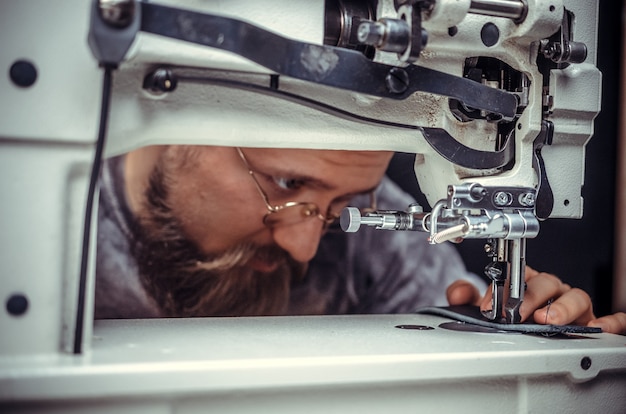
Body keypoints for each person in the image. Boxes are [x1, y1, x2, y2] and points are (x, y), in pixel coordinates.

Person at [95, 144, 626, 334]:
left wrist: (529, 325)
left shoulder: (374, 228)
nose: (306, 248)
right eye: (289, 183)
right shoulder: (33, 223)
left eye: (346, 200)